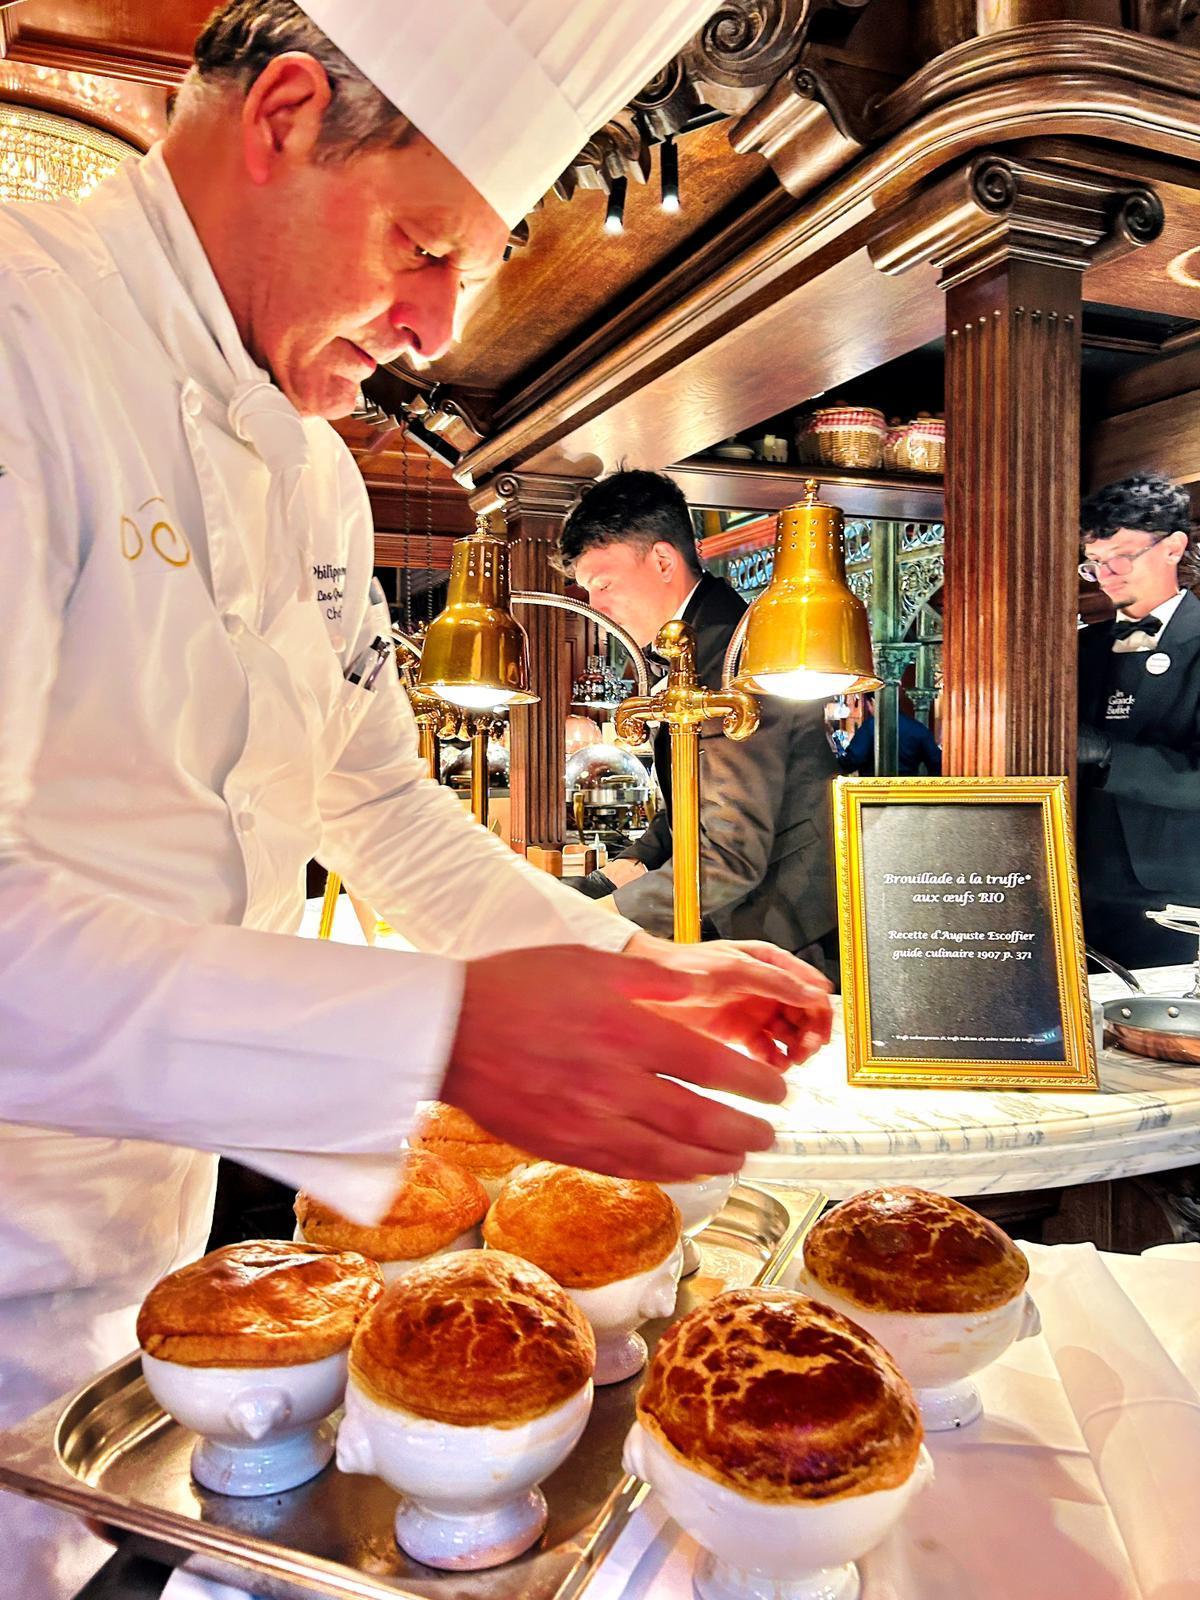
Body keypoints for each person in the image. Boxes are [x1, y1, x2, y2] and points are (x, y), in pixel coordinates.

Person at [0, 4, 833, 1591]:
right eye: (425, 243)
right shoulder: (17, 334)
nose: (439, 327)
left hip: (141, 1306)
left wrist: (626, 970)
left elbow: (376, 804)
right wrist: (440, 1031)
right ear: (287, 116)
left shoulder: (313, 470)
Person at [558, 470, 838, 968]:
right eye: (586, 590)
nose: (595, 606)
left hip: (791, 934)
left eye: (603, 584)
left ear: (663, 559)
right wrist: (618, 872)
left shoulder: (732, 654)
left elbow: (729, 856)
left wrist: (600, 923)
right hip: (753, 922)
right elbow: (693, 806)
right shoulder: (697, 641)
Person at [1076, 472, 1200, 969]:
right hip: (1075, 889)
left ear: (1173, 547)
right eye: (1094, 564)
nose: (1108, 576)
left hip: (1174, 901)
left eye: (1122, 557)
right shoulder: (1079, 650)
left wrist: (1108, 756)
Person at [836, 693, 942, 777]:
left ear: (873, 701)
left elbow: (852, 761)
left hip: (874, 793)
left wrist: (838, 750)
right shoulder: (918, 728)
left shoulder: (871, 726)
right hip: (908, 793)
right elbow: (937, 763)